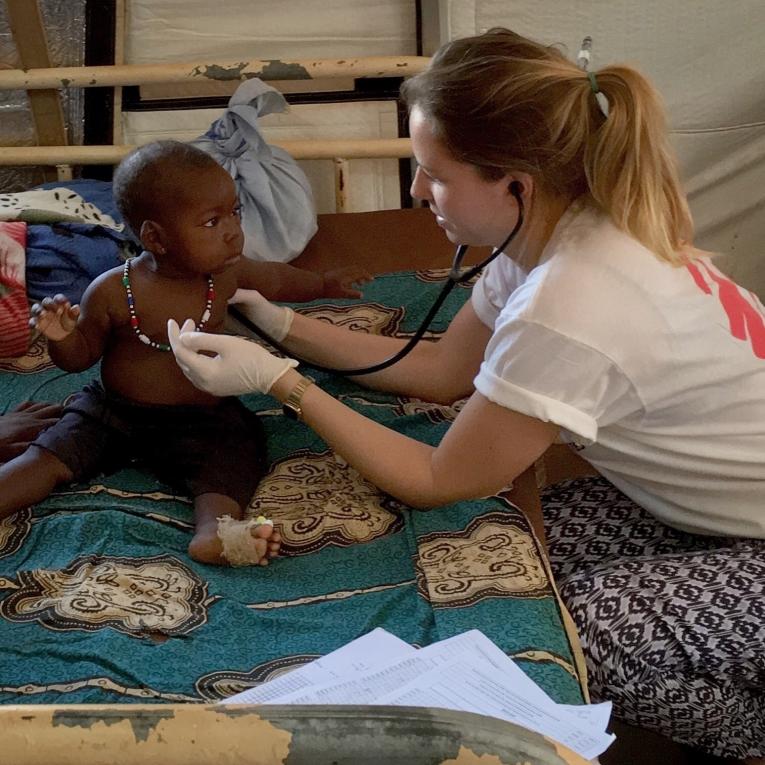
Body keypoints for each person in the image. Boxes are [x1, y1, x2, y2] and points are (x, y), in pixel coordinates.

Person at [169, 29, 765, 760]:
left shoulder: (575, 298)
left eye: (433, 173)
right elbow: (443, 370)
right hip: (727, 511)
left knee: (581, 635)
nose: (418, 192)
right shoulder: (551, 234)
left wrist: (278, 383)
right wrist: (284, 325)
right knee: (490, 553)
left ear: (514, 182)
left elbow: (436, 478)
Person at [0, 140, 369, 568]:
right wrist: (62, 336)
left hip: (201, 416)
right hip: (115, 411)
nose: (232, 230)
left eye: (235, 212)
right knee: (48, 453)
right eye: (212, 221)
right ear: (156, 237)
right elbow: (80, 357)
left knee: (233, 452)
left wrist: (322, 284)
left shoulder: (226, 273)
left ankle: (215, 533)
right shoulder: (113, 290)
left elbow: (277, 279)